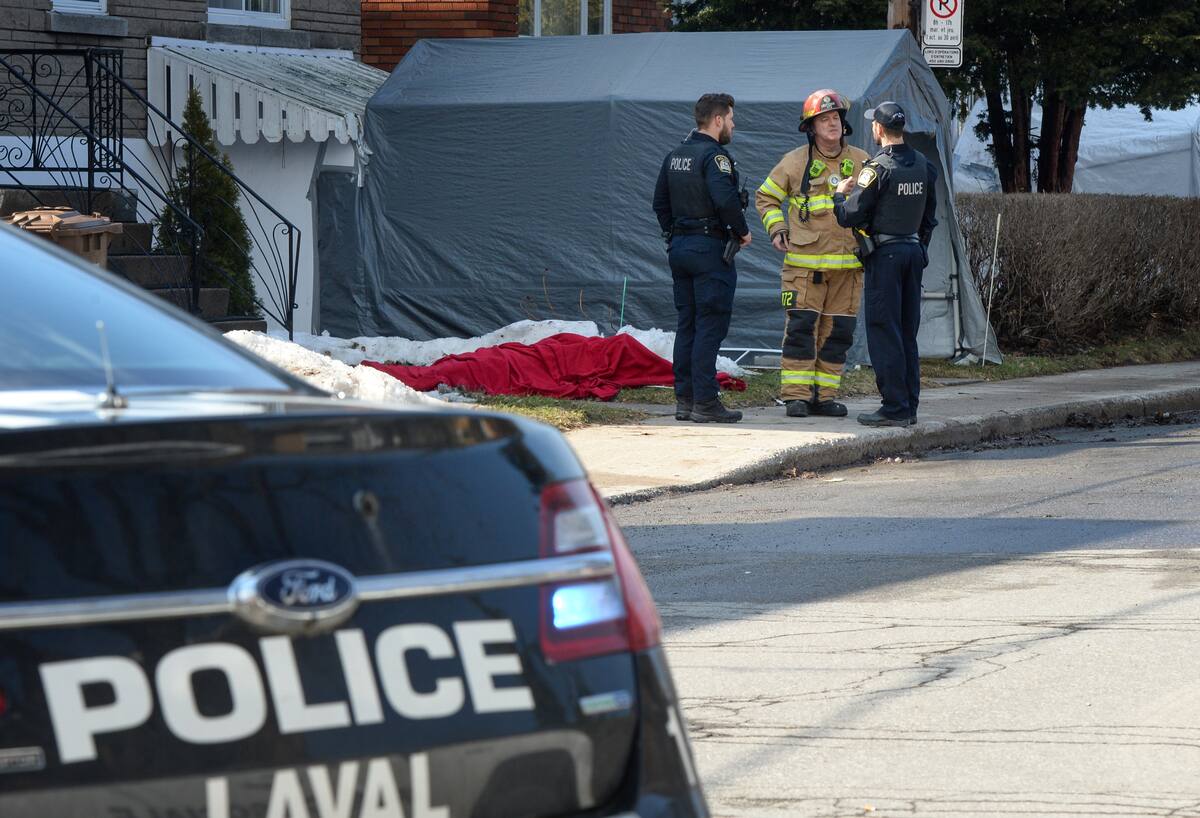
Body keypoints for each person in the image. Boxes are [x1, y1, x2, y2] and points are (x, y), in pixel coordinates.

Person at [755, 90, 871, 419]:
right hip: (804, 269)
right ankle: (797, 397)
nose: (832, 123)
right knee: (802, 332)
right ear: (811, 127)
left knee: (838, 335)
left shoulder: (862, 161)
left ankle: (825, 396)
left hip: (848, 269)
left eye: (835, 117)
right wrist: (778, 229)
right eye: (824, 119)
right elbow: (766, 197)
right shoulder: (795, 162)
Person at [833, 101, 938, 427]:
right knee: (907, 332)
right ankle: (909, 406)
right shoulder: (922, 164)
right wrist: (919, 248)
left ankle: (893, 406)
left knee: (884, 330)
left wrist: (839, 194)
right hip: (911, 254)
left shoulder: (876, 169)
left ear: (878, 129)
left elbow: (850, 215)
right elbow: (929, 218)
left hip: (886, 258)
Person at [653, 93, 751, 423]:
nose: (734, 125)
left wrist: (676, 235)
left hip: (681, 249)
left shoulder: (675, 155)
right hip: (709, 250)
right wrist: (741, 231)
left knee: (688, 326)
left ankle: (686, 400)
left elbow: (660, 204)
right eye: (731, 119)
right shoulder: (714, 157)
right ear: (718, 120)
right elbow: (724, 199)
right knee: (710, 326)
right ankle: (706, 402)